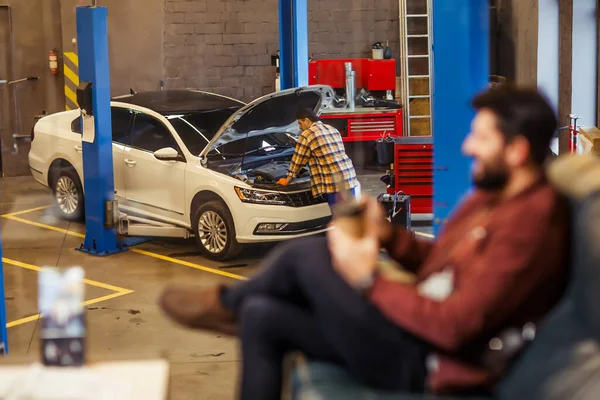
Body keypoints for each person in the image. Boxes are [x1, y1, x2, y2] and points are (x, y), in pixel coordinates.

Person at [158, 86, 571, 399]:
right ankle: (238, 308)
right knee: (263, 315)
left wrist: (368, 278)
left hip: (425, 360)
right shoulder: (491, 198)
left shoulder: (531, 224)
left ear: (516, 151)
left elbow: (455, 327)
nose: (467, 147)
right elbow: (443, 263)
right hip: (411, 329)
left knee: (308, 254)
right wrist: (390, 236)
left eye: (481, 138)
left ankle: (227, 304)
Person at [276, 108, 360, 208]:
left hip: (334, 182)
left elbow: (298, 160)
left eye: (300, 123)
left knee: (340, 217)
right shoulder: (332, 129)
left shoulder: (308, 134)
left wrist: (287, 179)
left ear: (307, 120)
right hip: (348, 176)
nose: (300, 127)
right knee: (351, 215)